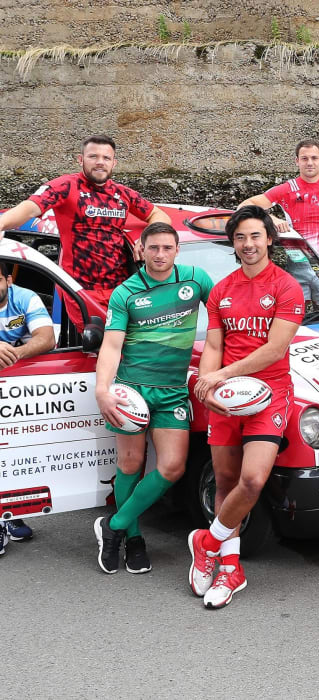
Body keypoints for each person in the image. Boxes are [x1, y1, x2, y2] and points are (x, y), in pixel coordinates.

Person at [187, 206, 304, 609]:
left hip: (269, 392)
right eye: (240, 238)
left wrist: (222, 374)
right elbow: (214, 347)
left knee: (252, 480)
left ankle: (206, 541)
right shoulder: (221, 290)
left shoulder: (288, 287)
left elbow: (274, 349)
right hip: (226, 397)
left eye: (255, 236)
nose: (248, 244)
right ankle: (229, 567)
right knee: (223, 480)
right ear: (232, 243)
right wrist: (208, 380)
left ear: (269, 239)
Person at [92, 222, 213, 575]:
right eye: (154, 248)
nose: (160, 255)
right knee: (130, 464)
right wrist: (103, 390)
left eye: (167, 248)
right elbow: (111, 346)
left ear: (177, 251)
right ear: (141, 250)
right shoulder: (125, 293)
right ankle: (133, 538)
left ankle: (112, 525)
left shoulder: (196, 279)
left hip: (173, 390)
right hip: (132, 390)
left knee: (173, 467)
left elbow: (226, 311)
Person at [0, 135, 171, 325]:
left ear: (114, 163)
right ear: (80, 159)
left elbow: (160, 216)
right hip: (81, 290)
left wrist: (148, 238)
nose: (100, 162)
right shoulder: (64, 186)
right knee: (99, 348)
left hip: (122, 289)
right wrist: (1, 224)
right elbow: (30, 207)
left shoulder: (123, 193)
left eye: (106, 158)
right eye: (93, 157)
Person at [239, 138, 319, 268]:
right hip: (299, 265)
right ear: (297, 161)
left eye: (314, 158)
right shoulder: (288, 189)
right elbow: (244, 205)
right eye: (304, 158)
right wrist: (271, 219)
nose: (310, 163)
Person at [0, 259, 57, 543]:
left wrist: (13, 353)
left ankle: (9, 514)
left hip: (15, 386)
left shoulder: (24, 297)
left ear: (8, 281)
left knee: (12, 453)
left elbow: (46, 338)